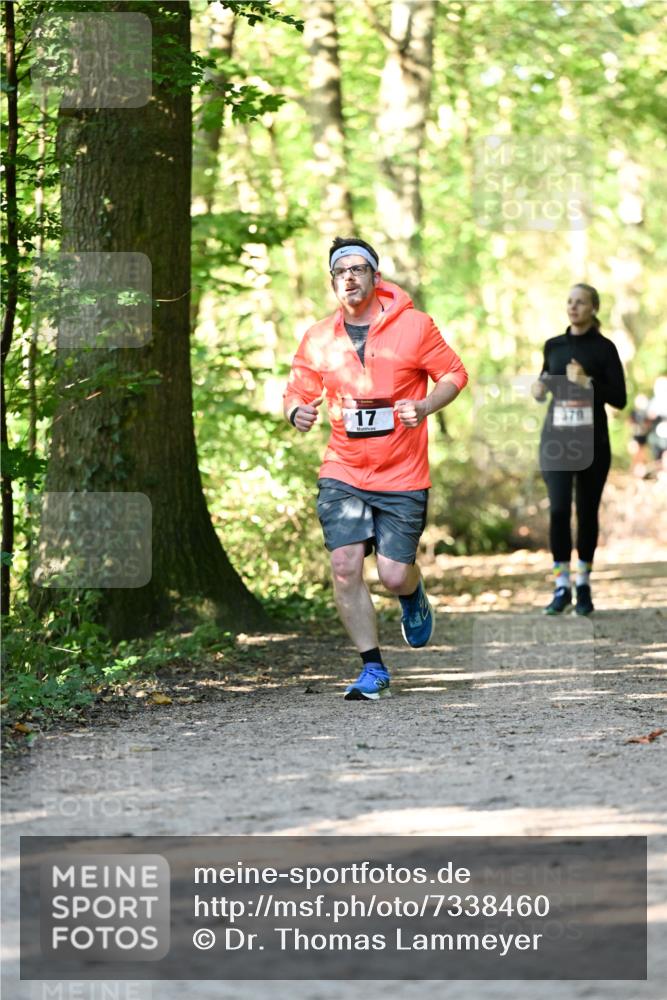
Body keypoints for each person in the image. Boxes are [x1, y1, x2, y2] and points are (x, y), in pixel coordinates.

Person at [283, 237, 468, 700]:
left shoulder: (415, 326)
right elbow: (298, 390)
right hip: (343, 470)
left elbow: (454, 374)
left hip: (402, 473)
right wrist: (295, 412)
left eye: (357, 269)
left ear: (375, 277)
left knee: (393, 574)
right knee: (344, 565)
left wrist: (424, 406)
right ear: (332, 282)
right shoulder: (319, 337)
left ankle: (412, 593)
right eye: (340, 271)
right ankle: (373, 668)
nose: (348, 277)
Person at [531, 283, 626, 615]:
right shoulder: (553, 346)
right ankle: (561, 585)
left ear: (593, 308)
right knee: (558, 511)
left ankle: (583, 584)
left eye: (580, 302)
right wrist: (538, 389)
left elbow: (620, 398)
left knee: (586, 513)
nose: (573, 307)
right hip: (556, 441)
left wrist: (588, 382)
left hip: (592, 443)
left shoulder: (605, 348)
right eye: (570, 301)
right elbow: (544, 382)